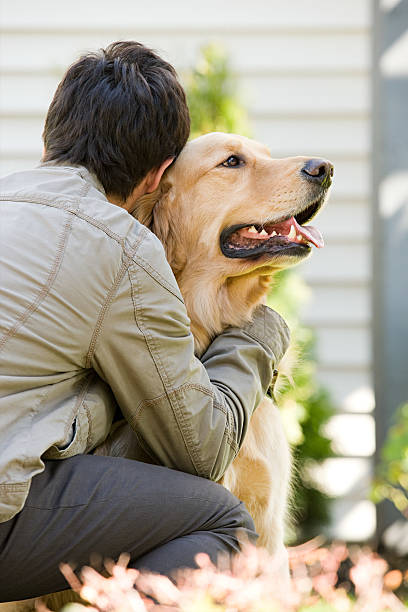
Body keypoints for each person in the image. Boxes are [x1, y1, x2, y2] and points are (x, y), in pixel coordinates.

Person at [0, 41, 290, 600]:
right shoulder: (122, 245)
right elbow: (200, 448)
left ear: (52, 137)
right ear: (158, 177)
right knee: (221, 520)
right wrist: (258, 335)